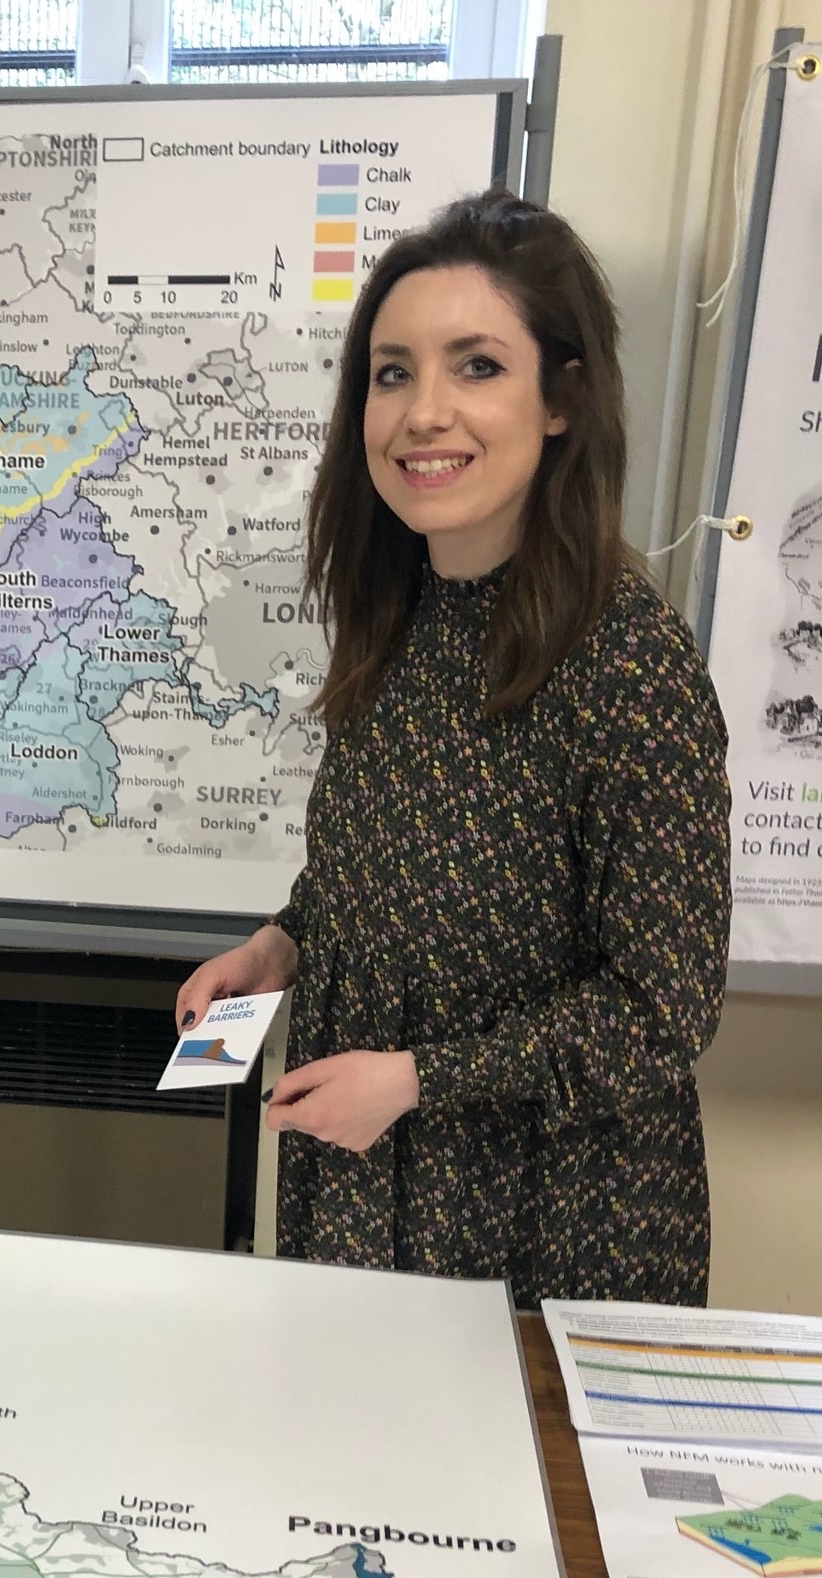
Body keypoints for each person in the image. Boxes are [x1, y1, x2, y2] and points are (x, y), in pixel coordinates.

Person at [175, 189, 730, 1306]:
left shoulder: (629, 662)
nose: (424, 412)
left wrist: (424, 1080)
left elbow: (662, 1008)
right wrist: (282, 947)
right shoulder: (401, 614)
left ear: (561, 399)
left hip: (543, 1227)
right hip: (364, 1188)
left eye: (476, 367)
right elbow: (388, 866)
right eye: (392, 374)